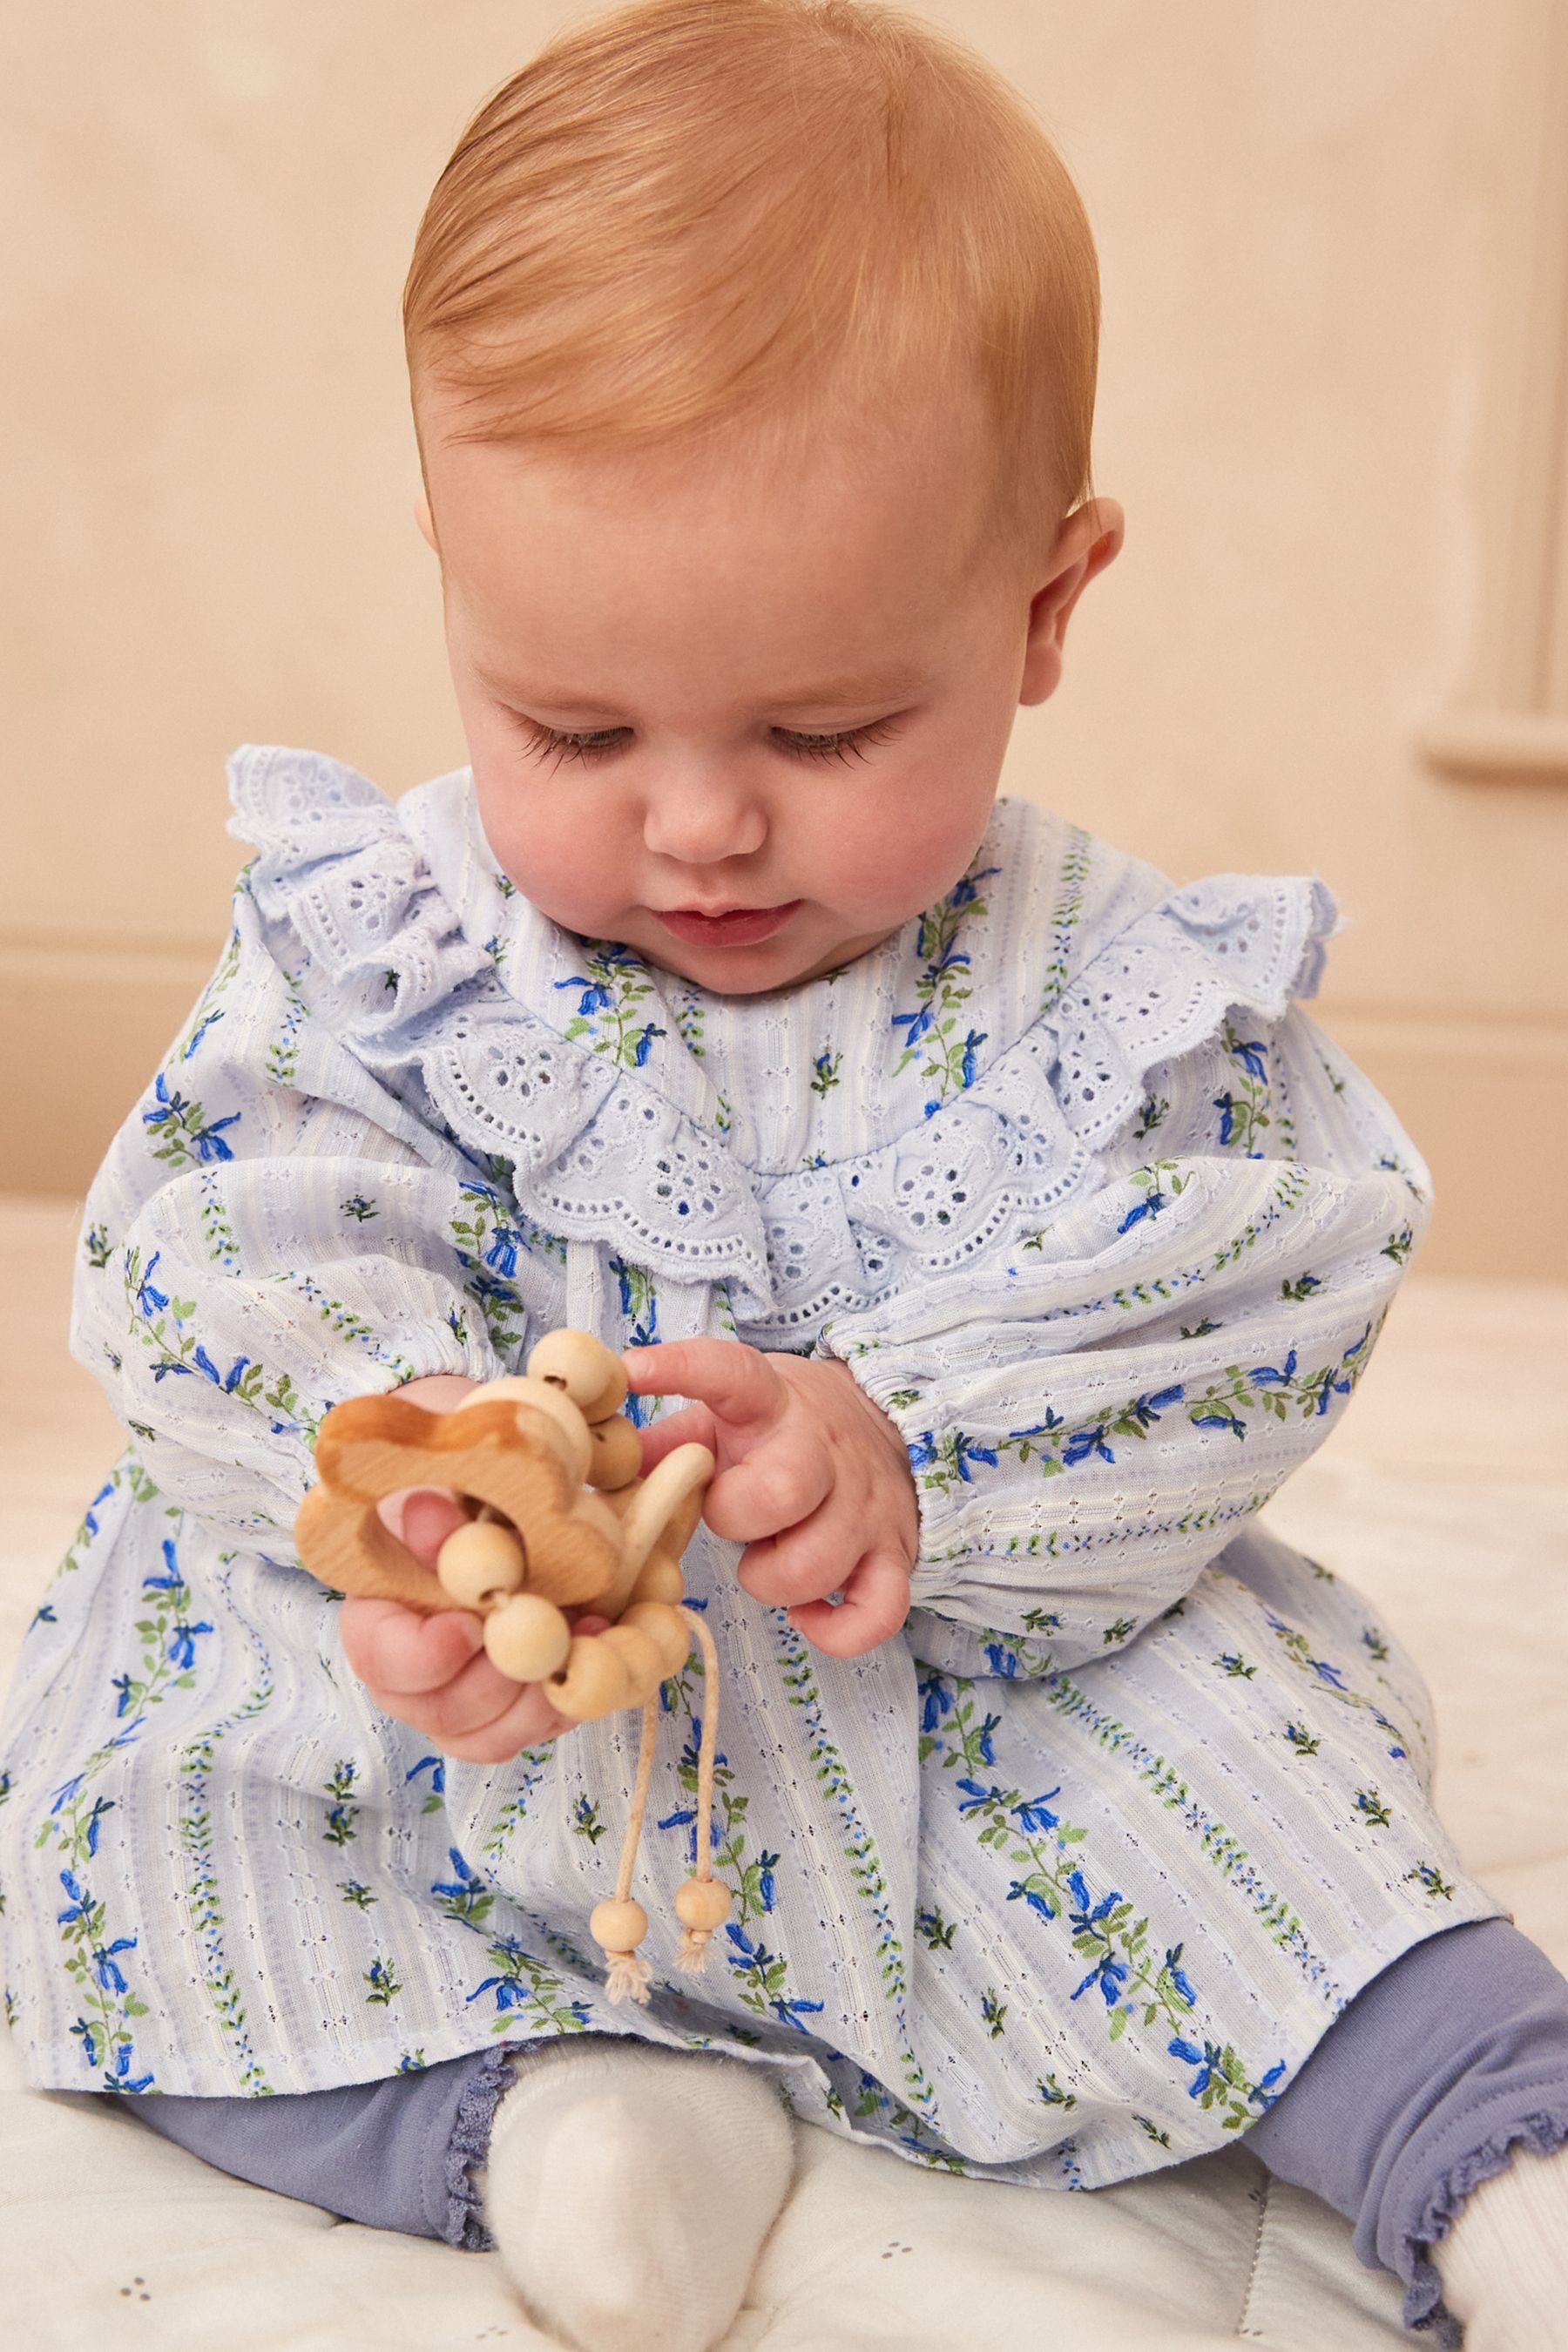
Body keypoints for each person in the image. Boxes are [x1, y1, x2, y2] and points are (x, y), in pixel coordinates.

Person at [2, 3, 1564, 2347]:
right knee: (150, 1792)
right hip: (494, 1709)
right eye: (573, 725)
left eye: (826, 729)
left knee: (1251, 1781)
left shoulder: (1112, 992)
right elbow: (225, 1228)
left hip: (951, 1694)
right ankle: (535, 2113)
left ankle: (1497, 2156)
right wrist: (418, 1480)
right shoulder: (390, 949)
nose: (703, 819)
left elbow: (1250, 1269)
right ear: (455, 579)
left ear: (1044, 608)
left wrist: (919, 1458)